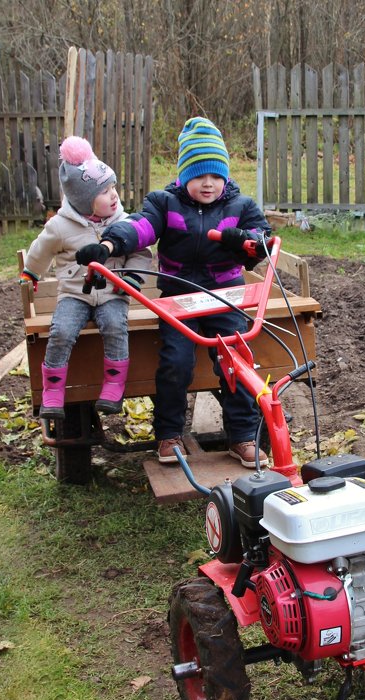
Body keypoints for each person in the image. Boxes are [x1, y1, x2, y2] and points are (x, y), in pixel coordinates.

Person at [75, 117, 271, 468]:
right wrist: (107, 245)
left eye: (215, 175)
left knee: (236, 363)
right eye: (199, 175)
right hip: (178, 298)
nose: (208, 183)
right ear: (184, 175)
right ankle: (169, 434)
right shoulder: (165, 203)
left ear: (224, 176)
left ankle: (242, 436)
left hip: (226, 296)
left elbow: (262, 243)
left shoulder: (240, 207)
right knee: (174, 363)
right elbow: (139, 227)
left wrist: (246, 242)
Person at [19, 136, 151, 420]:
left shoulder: (123, 222)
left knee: (116, 326)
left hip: (113, 291)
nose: (114, 194)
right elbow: (40, 249)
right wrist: (31, 272)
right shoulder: (61, 226)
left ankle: (114, 386)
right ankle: (53, 392)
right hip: (74, 294)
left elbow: (141, 252)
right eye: (105, 191)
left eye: (113, 186)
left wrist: (132, 279)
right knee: (62, 330)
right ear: (83, 201)